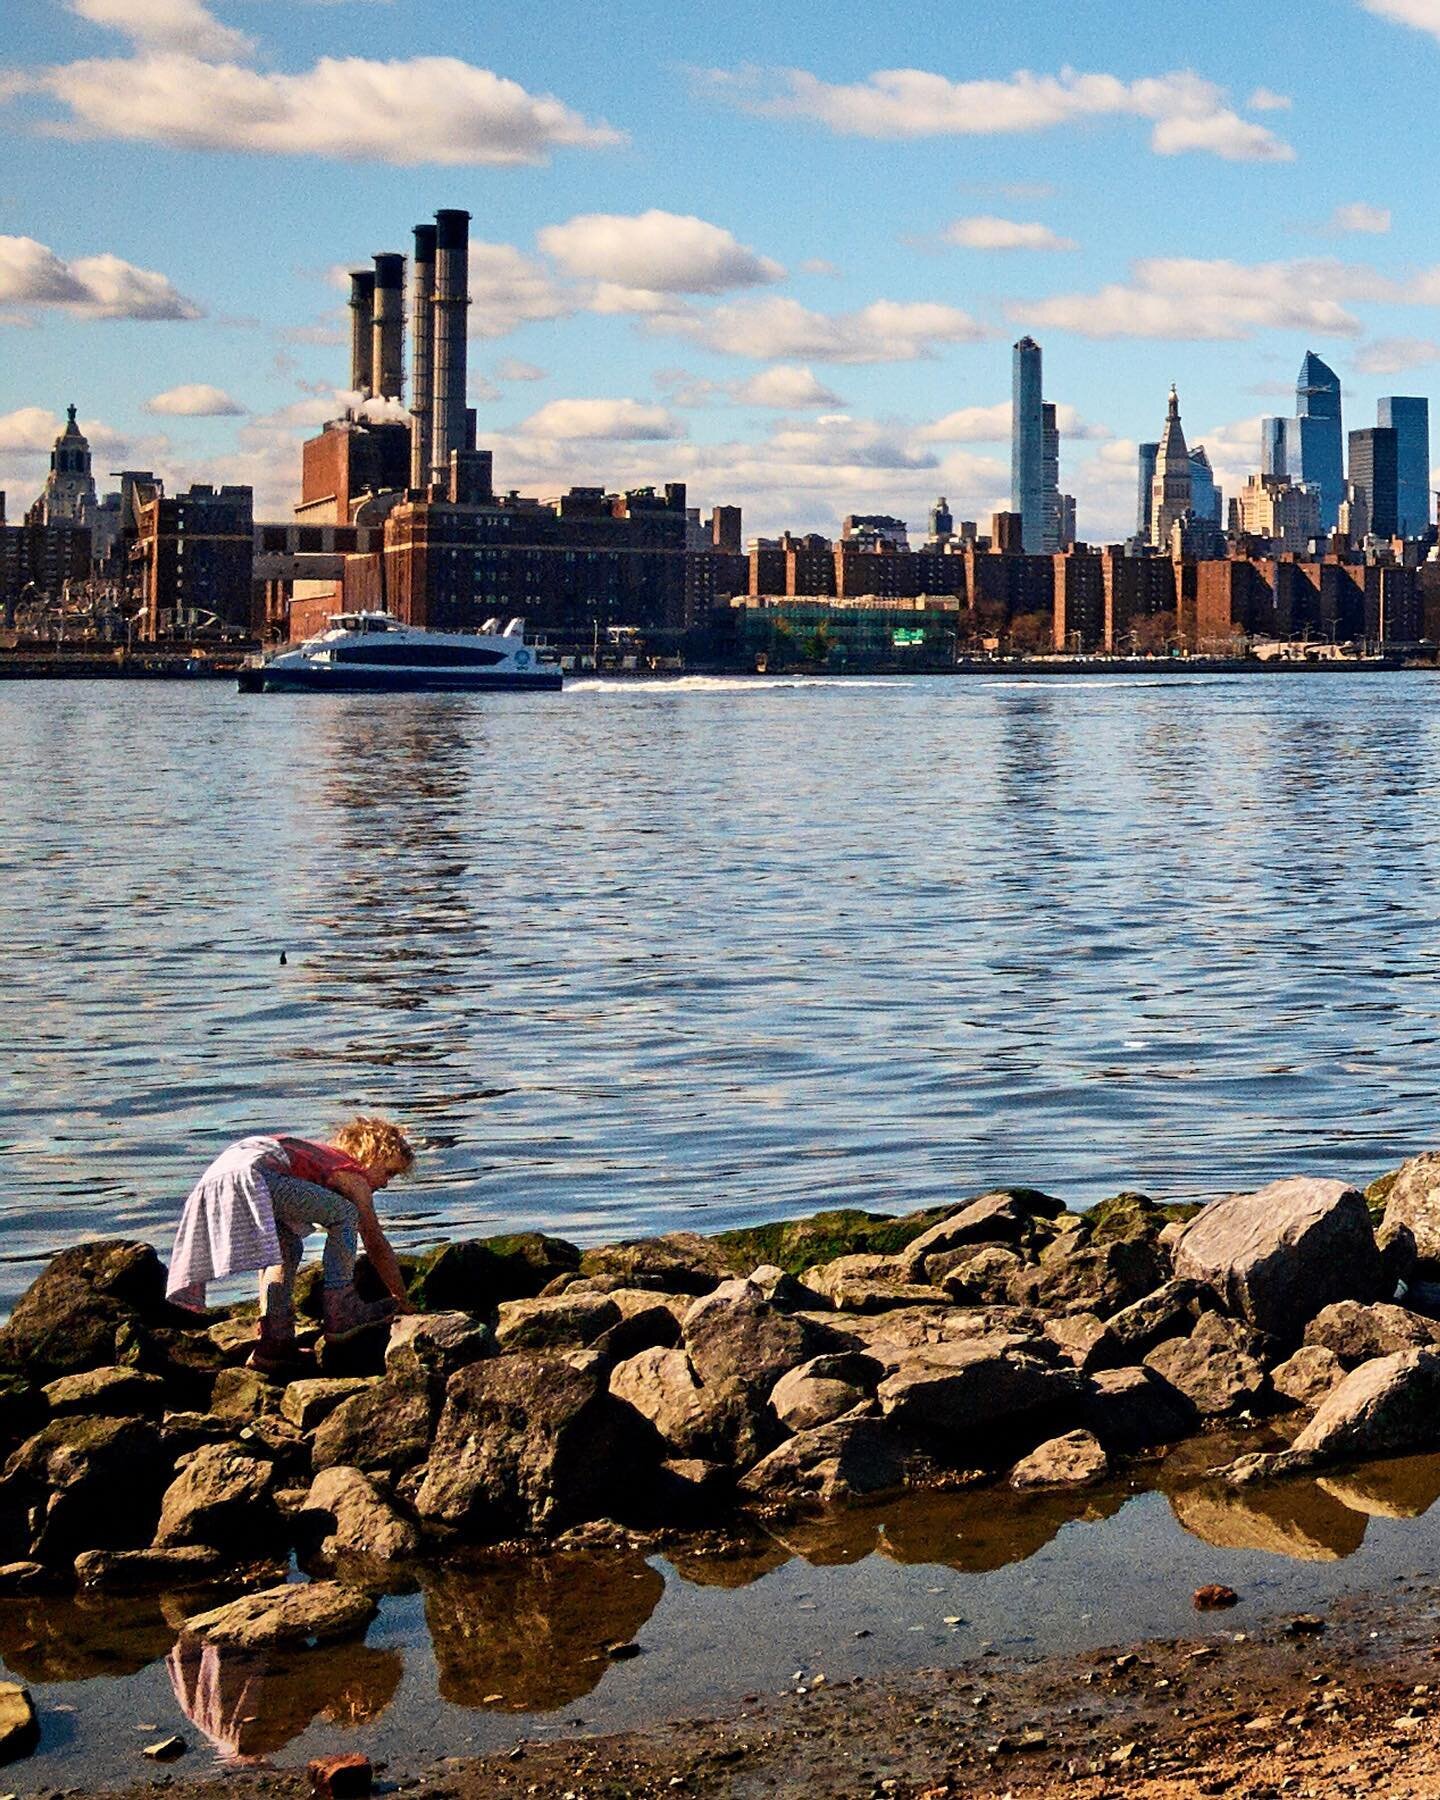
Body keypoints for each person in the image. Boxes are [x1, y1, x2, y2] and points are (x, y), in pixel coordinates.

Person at [166, 1116, 414, 1374]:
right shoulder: (351, 1171)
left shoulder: (316, 1156)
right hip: (254, 1175)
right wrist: (401, 1297)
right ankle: (341, 1308)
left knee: (285, 1247)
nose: (385, 1183)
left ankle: (275, 1340)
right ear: (370, 1153)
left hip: (219, 1177)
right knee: (346, 1214)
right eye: (389, 1173)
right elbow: (374, 1240)